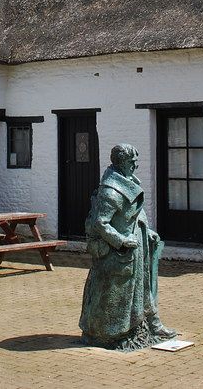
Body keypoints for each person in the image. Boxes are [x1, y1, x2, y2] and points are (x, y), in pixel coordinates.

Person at [79, 143, 176, 350]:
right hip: (120, 252)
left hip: (138, 246)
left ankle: (151, 324)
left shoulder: (129, 182)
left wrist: (146, 232)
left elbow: (133, 213)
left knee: (145, 286)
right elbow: (100, 223)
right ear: (121, 162)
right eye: (132, 162)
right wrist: (120, 241)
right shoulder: (111, 192)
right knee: (117, 292)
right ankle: (113, 334)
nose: (135, 166)